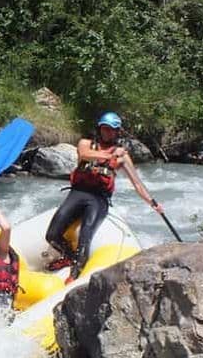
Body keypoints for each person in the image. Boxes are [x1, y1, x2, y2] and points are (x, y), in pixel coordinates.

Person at [45, 111, 165, 283]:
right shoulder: (85, 143)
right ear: (99, 129)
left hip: (98, 199)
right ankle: (69, 256)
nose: (107, 132)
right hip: (78, 193)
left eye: (111, 130)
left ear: (117, 132)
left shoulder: (122, 156)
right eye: (105, 129)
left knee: (86, 233)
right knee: (52, 235)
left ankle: (74, 275)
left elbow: (137, 184)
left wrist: (153, 203)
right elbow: (85, 155)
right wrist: (110, 155)